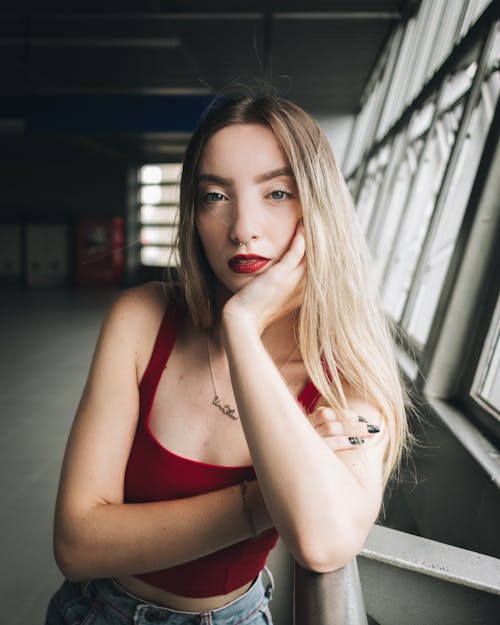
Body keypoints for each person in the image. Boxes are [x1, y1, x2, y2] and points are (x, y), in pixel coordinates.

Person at [46, 93, 408, 625]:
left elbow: (324, 543)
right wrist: (268, 499)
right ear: (193, 214)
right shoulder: (143, 318)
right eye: (215, 196)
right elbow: (76, 545)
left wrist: (241, 326)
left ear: (318, 208)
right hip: (95, 611)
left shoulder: (346, 377)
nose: (242, 227)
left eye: (277, 192)